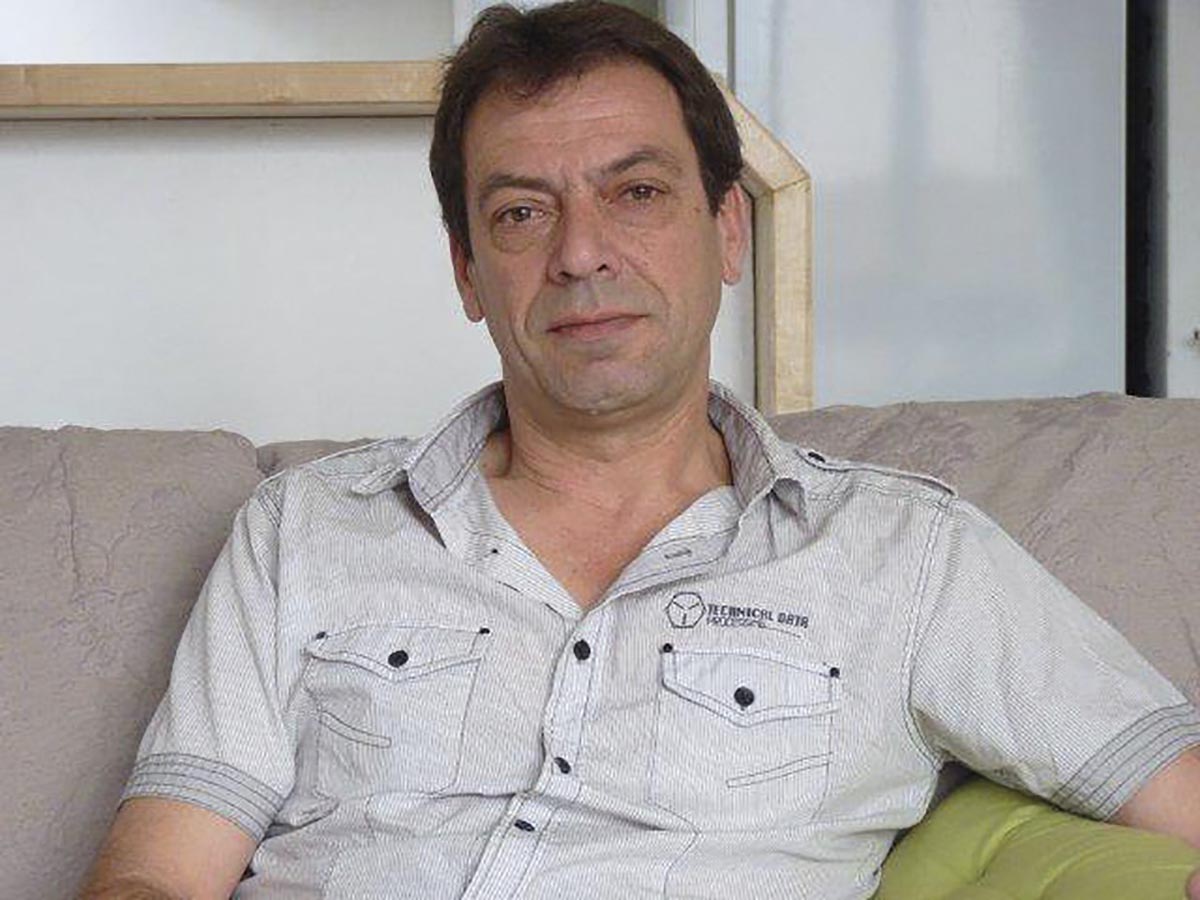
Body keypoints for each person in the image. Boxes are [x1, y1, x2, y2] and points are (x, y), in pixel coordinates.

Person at [81, 2, 1200, 898]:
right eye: (522, 213)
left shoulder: (908, 555)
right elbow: (158, 872)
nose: (582, 254)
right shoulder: (304, 529)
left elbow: (1172, 789)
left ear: (727, 230)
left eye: (638, 193)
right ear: (468, 271)